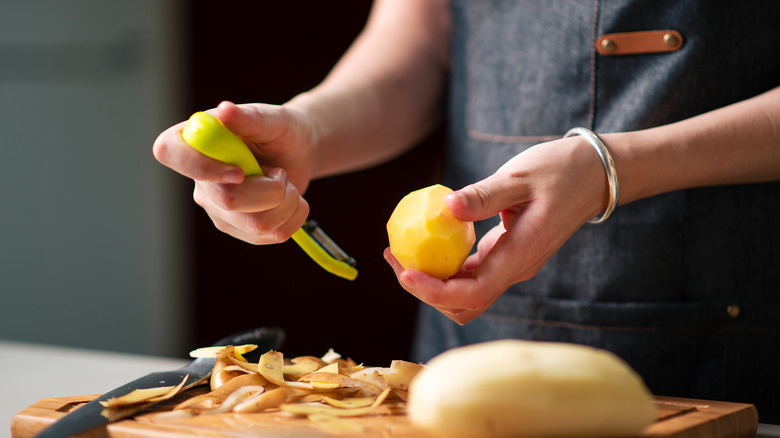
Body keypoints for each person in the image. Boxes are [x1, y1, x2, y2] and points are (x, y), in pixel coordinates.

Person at [154, 0, 780, 423]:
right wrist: (309, 129)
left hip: (732, 334)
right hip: (472, 341)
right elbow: (415, 47)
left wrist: (612, 168)